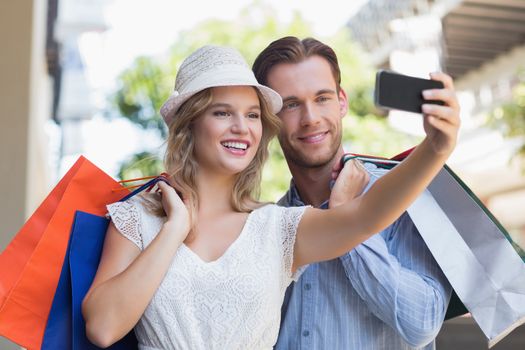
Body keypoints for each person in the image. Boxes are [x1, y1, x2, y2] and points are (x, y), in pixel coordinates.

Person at [82, 44, 459, 350]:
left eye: (252, 115)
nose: (241, 127)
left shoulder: (275, 227)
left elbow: (363, 218)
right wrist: (173, 229)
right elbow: (102, 329)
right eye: (222, 112)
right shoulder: (139, 218)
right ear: (189, 124)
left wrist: (435, 149)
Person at [252, 36, 456, 350]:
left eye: (322, 98)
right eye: (291, 104)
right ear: (269, 119)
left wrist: (344, 217)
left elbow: (422, 325)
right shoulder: (269, 225)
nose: (311, 119)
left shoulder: (406, 195)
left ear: (342, 101)